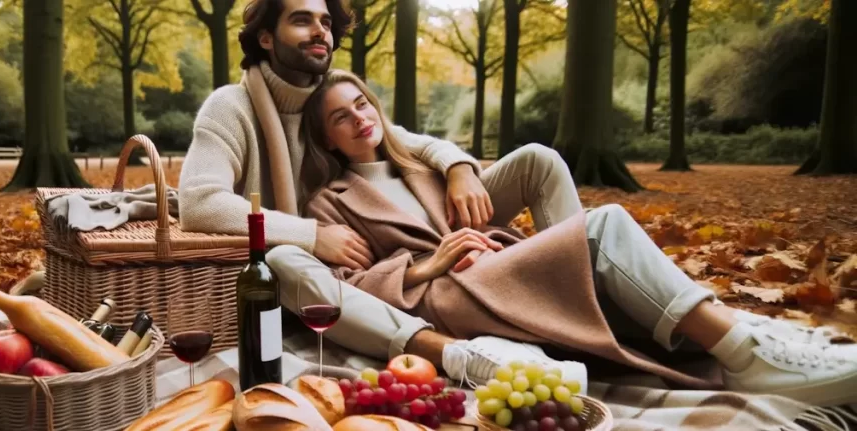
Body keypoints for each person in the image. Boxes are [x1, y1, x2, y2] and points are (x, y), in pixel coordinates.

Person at [293, 69, 857, 407]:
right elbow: (348, 285)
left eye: (362, 103)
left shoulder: (422, 161)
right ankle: (745, 358)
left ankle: (716, 332)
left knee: (584, 218)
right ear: (329, 139)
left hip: (496, 262)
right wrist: (425, 267)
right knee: (606, 223)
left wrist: (460, 175)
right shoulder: (329, 199)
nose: (360, 118)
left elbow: (466, 181)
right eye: (341, 118)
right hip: (450, 292)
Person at [177, 0, 590, 388]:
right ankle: (454, 353)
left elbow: (401, 140)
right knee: (281, 260)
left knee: (538, 159)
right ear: (266, 37)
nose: (320, 31)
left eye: (325, 22)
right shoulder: (231, 107)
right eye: (302, 20)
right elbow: (199, 202)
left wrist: (460, 166)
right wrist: (312, 235)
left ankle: (584, 296)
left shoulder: (332, 95)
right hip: (328, 256)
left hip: (386, 226)